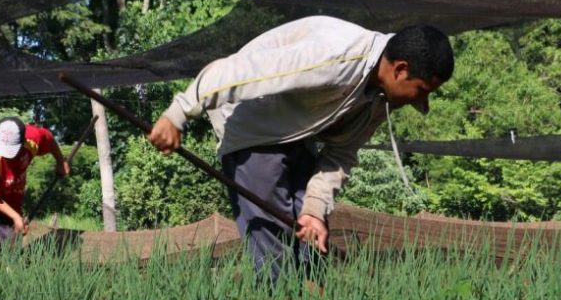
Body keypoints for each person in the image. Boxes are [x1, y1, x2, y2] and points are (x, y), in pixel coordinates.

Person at [148, 16, 454, 280]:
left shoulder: (380, 98)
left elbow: (340, 154)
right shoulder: (335, 56)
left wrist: (314, 211)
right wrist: (179, 113)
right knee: (271, 230)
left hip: (298, 133)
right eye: (421, 91)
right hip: (252, 123)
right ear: (400, 69)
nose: (420, 102)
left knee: (309, 235)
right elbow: (241, 70)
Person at [0, 116, 69, 244]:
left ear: (23, 143)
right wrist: (16, 217)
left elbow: (49, 139)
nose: (4, 155)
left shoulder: (33, 138)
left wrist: (61, 162)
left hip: (10, 194)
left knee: (12, 247)